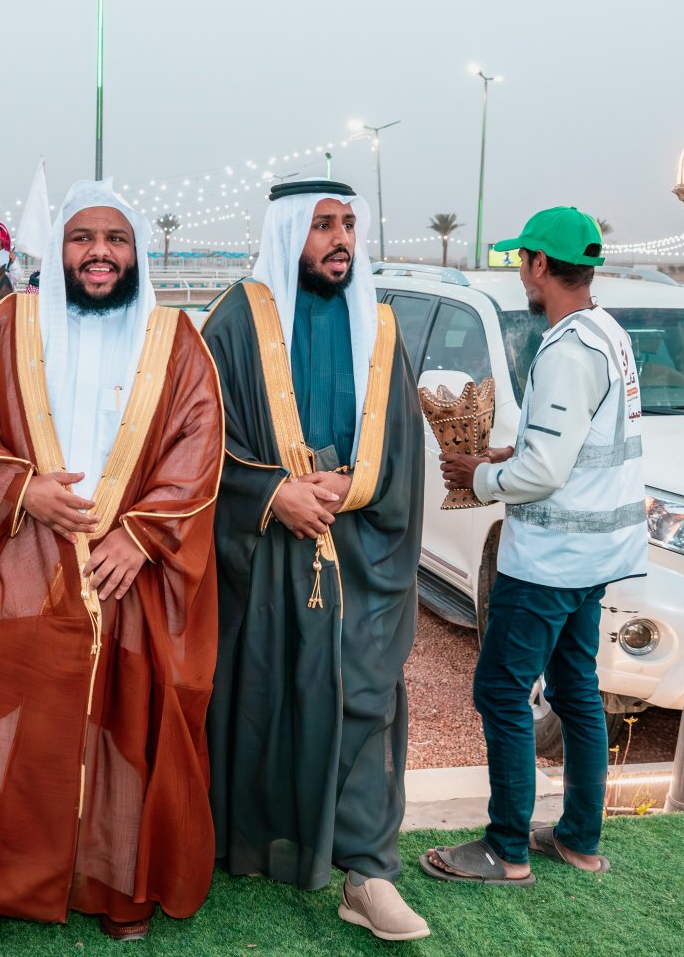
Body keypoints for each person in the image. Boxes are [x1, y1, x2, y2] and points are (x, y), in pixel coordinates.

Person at [0, 181, 224, 951]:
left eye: (115, 239)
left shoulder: (174, 336)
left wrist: (140, 536)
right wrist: (23, 489)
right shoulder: (10, 324)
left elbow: (198, 441)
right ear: (61, 249)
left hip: (127, 569)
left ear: (135, 252)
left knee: (127, 724)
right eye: (83, 238)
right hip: (19, 555)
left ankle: (117, 885)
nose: (99, 253)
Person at [204, 179, 430, 943]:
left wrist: (351, 486)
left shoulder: (382, 327)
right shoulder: (236, 322)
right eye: (323, 225)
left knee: (365, 696)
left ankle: (368, 873)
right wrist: (272, 494)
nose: (340, 240)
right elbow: (199, 439)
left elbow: (403, 446)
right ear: (288, 232)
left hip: (359, 551)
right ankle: (256, 845)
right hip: (269, 558)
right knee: (270, 697)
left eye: (349, 225)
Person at [425, 206, 646, 887]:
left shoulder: (566, 349)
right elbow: (574, 446)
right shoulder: (608, 334)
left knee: (500, 691)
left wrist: (480, 476)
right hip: (594, 558)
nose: (521, 271)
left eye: (523, 260)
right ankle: (578, 839)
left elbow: (546, 472)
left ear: (541, 265)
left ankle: (506, 849)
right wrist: (509, 452)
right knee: (577, 691)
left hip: (549, 561)